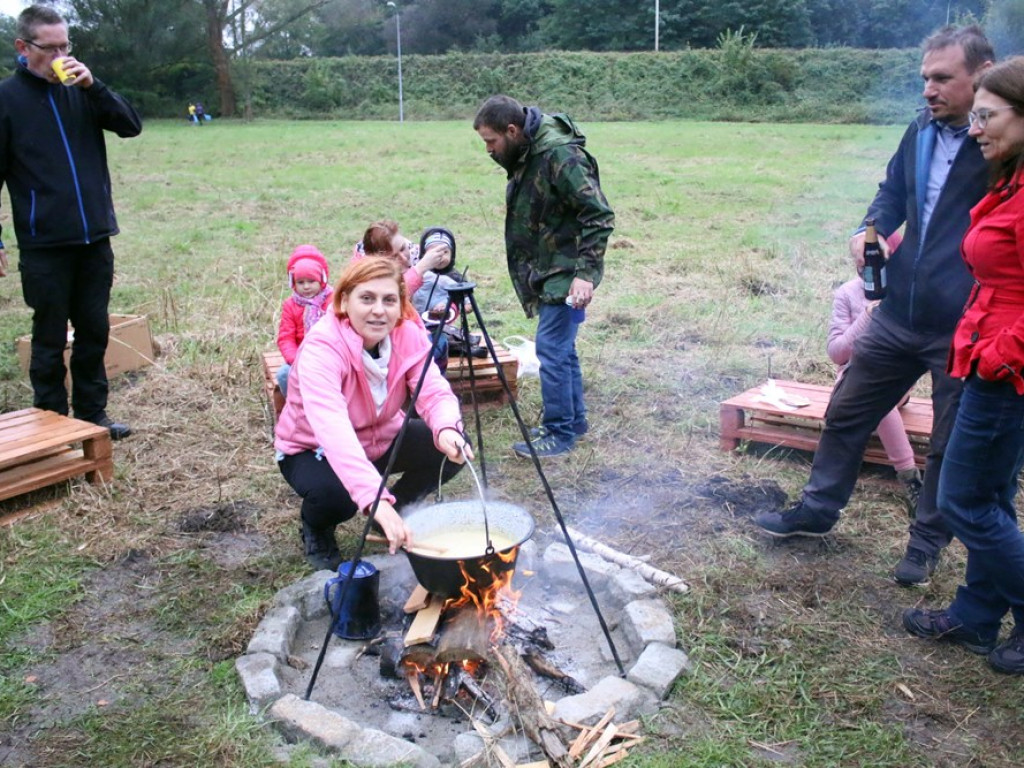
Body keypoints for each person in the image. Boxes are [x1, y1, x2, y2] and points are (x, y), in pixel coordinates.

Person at [754, 25, 995, 587]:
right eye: (924, 79)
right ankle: (816, 511)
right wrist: (871, 228)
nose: (930, 90)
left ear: (981, 75)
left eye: (942, 78)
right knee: (847, 411)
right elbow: (891, 192)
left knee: (946, 440)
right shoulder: (919, 128)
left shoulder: (1002, 145)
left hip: (961, 322)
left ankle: (927, 541)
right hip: (896, 311)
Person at [902, 57, 1024, 674]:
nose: (975, 128)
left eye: (988, 115)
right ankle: (978, 617)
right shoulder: (1009, 182)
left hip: (1007, 372)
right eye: (974, 116)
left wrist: (1002, 356)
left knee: (963, 501)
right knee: (990, 497)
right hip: (985, 356)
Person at [0, 4, 142, 440]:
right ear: (24, 47)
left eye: (67, 44)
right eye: (52, 47)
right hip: (45, 244)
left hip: (94, 238)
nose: (62, 54)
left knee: (94, 330)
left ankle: (92, 416)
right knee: (48, 339)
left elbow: (130, 125)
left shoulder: (82, 90)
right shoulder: (7, 100)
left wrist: (94, 85)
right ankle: (52, 423)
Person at [274, 258, 472, 571]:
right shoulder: (322, 348)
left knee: (452, 448)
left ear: (400, 305)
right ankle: (316, 527)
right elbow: (333, 428)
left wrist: (447, 426)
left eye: (389, 300)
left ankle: (400, 508)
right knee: (338, 497)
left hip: (379, 436)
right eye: (367, 298)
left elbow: (433, 390)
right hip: (313, 448)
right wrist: (374, 499)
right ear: (344, 301)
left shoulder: (408, 335)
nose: (379, 310)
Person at [473, 94, 614, 458]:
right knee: (562, 350)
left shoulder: (559, 155)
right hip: (550, 266)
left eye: (491, 141)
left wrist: (585, 273)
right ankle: (574, 421)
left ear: (512, 130)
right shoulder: (526, 149)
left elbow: (598, 214)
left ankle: (558, 433)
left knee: (551, 349)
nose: (488, 150)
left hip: (566, 271)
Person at [827, 234, 922, 516]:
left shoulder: (907, 294)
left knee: (879, 396)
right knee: (870, 394)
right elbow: (836, 353)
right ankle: (910, 477)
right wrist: (868, 316)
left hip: (895, 383)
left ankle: (910, 480)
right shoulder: (846, 293)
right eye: (865, 262)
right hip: (850, 379)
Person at [276, 244, 332, 398]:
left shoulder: (332, 301)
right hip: (301, 356)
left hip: (330, 354)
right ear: (292, 283)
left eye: (311, 281)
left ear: (322, 280)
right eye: (300, 282)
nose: (306, 287)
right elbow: (286, 338)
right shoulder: (290, 305)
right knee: (283, 375)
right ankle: (296, 406)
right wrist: (296, 360)